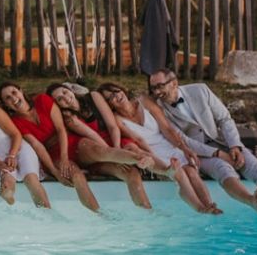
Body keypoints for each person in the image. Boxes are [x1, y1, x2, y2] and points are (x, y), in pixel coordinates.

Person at [148, 68, 257, 214]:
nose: (156, 92)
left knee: (256, 168)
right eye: (153, 88)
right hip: (198, 154)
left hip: (223, 141)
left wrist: (234, 146)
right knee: (222, 168)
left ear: (174, 83)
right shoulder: (160, 111)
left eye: (160, 86)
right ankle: (252, 201)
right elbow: (183, 140)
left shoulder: (200, 90)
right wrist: (217, 153)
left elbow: (224, 118)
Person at [97, 82, 231, 214]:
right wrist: (153, 156)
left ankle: (209, 205)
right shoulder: (117, 119)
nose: (116, 96)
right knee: (180, 174)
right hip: (148, 150)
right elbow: (138, 139)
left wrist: (184, 148)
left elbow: (166, 128)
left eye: (116, 91)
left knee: (191, 171)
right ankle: (200, 208)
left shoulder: (143, 101)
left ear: (122, 90)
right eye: (111, 97)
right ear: (109, 104)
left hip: (166, 144)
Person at [46, 82, 157, 209]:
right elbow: (93, 135)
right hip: (95, 152)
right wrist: (115, 157)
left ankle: (147, 210)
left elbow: (112, 126)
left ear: (70, 90)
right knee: (127, 164)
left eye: (65, 92)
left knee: (133, 172)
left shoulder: (93, 96)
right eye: (60, 99)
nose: (65, 98)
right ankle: (141, 160)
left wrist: (116, 150)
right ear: (57, 104)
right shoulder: (68, 118)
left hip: (112, 142)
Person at [0, 81, 100, 212]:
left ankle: (100, 215)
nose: (13, 98)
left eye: (14, 92)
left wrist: (64, 158)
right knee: (77, 177)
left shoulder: (42, 100)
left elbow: (61, 129)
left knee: (98, 150)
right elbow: (37, 145)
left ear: (21, 91)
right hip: (50, 156)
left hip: (67, 144)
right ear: (5, 104)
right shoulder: (16, 121)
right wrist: (55, 172)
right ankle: (97, 215)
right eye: (7, 98)